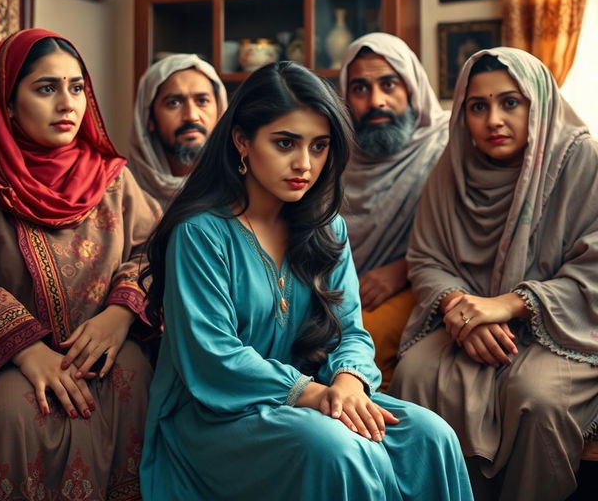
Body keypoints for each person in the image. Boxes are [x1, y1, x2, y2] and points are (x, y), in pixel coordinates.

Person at [139, 61, 473, 501]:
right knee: (339, 449)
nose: (304, 164)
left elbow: (350, 330)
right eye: (285, 143)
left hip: (315, 394)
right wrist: (310, 394)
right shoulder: (200, 233)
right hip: (217, 416)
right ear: (242, 140)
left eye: (319, 147)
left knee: (430, 436)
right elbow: (211, 357)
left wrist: (349, 383)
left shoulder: (325, 227)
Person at [0, 29, 161, 499]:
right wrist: (28, 351)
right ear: (7, 104)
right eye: (46, 88)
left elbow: (153, 250)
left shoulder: (110, 177)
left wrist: (120, 314)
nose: (68, 104)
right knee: (14, 410)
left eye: (76, 88)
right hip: (2, 359)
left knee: (133, 371)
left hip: (102, 346)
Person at [389, 48, 598, 500]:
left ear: (538, 103)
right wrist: (460, 311)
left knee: (538, 396)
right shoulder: (453, 169)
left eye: (511, 102)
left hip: (562, 326)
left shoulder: (583, 159)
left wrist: (508, 304)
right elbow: (427, 259)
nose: (494, 120)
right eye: (477, 106)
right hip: (469, 319)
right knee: (417, 373)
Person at [339, 33, 449, 386]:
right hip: (338, 287)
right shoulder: (332, 155)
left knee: (359, 340)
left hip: (422, 284)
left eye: (389, 84)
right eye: (360, 88)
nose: (376, 101)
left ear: (412, 88)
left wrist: (401, 270)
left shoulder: (446, 146)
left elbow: (468, 237)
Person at [129, 53, 227, 208]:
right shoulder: (122, 190)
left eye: (202, 101)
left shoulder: (240, 185)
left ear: (220, 111)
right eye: (174, 103)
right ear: (149, 118)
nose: (191, 116)